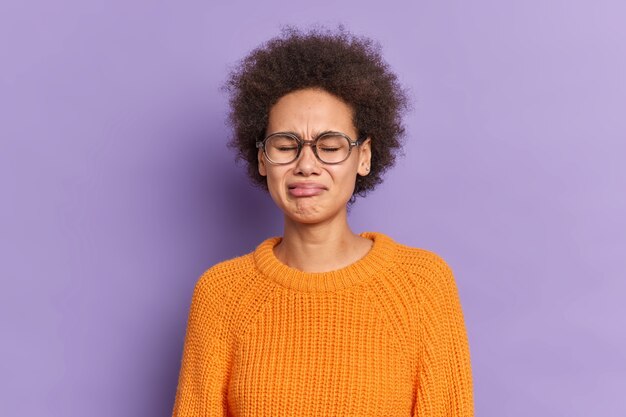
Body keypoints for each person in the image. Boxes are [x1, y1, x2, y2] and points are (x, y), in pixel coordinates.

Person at [171, 26, 474, 417]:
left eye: (330, 147)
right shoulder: (222, 295)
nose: (307, 165)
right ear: (262, 159)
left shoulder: (422, 285)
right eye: (285, 146)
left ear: (363, 156)